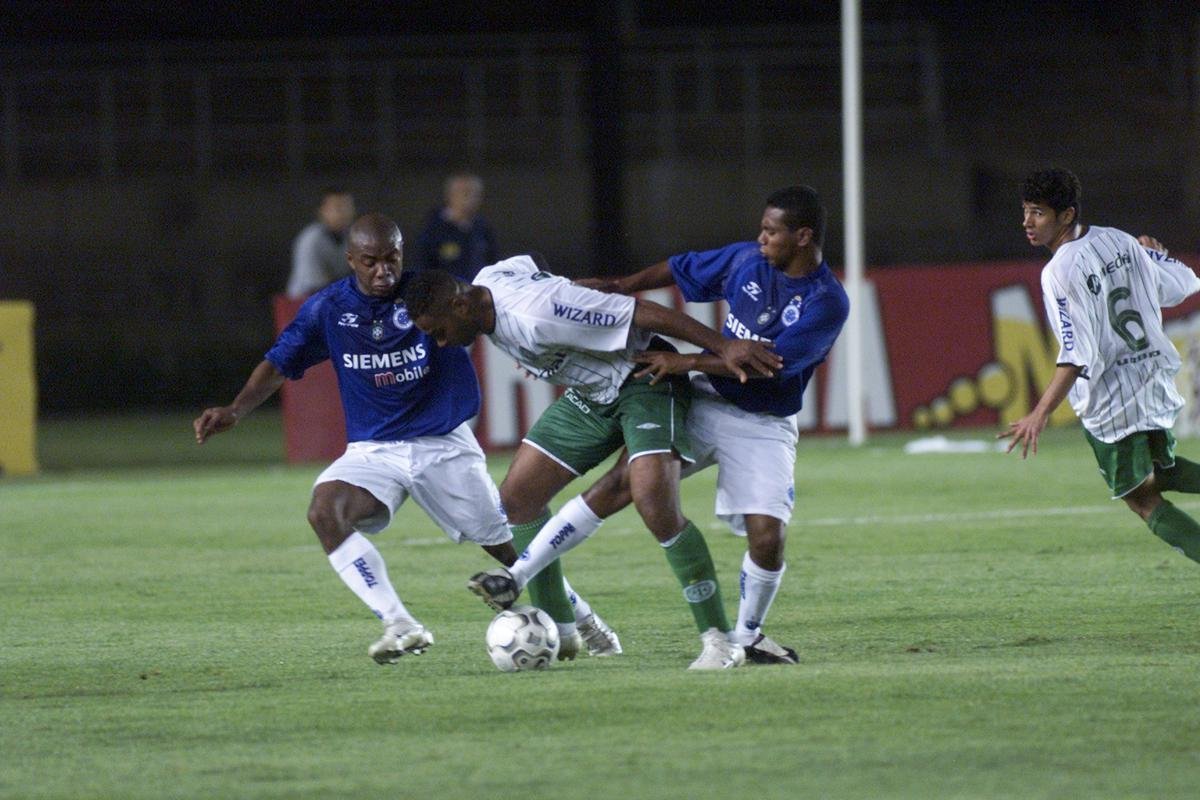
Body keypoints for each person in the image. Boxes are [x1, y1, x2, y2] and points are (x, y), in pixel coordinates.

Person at [194, 213, 618, 665]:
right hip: (372, 451)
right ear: (351, 260)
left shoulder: (433, 296)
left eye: (392, 259)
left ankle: (584, 618)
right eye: (371, 262)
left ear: (402, 254)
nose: (383, 272)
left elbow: (493, 312)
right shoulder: (328, 309)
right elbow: (279, 363)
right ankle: (399, 623)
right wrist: (235, 409)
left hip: (443, 444)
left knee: (510, 550)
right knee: (325, 511)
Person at [522, 185, 849, 665]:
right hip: (706, 400)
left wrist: (687, 362)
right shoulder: (746, 262)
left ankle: (747, 635)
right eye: (762, 228)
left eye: (771, 231)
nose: (760, 238)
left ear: (803, 237)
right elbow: (680, 267)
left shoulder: (827, 302)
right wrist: (622, 287)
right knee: (624, 482)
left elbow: (771, 364)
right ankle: (518, 573)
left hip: (765, 421)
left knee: (767, 535)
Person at [403, 258, 782, 669]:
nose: (440, 342)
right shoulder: (491, 279)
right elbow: (535, 266)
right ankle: (561, 632)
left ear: (460, 307)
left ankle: (719, 640)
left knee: (654, 501)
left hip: (643, 377)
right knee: (517, 498)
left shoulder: (536, 316)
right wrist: (572, 291)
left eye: (438, 333)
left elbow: (642, 312)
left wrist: (722, 348)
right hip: (592, 394)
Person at [1001, 167, 1200, 564]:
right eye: (1025, 211)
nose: (1027, 222)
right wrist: (1154, 254)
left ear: (1067, 215)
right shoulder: (1121, 240)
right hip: (1156, 379)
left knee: (1140, 497)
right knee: (1162, 468)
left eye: (1038, 212)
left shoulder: (1058, 272)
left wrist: (1040, 413)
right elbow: (1186, 283)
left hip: (1112, 401)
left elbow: (1077, 354)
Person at [415, 172, 498, 281]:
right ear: (451, 195)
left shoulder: (482, 228)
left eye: (476, 194)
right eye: (466, 193)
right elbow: (423, 266)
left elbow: (493, 262)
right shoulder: (434, 229)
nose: (472, 199)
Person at [285, 188, 356, 298]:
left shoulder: (352, 237)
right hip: (301, 304)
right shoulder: (311, 239)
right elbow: (315, 288)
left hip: (333, 301)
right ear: (323, 211)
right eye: (338, 208)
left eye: (347, 207)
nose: (344, 213)